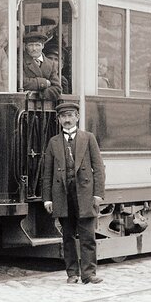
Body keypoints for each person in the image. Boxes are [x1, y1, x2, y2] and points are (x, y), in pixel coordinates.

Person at [41, 101, 106, 285]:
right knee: (67, 236)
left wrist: (98, 194)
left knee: (87, 236)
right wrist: (47, 198)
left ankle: (89, 274)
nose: (67, 120)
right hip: (63, 195)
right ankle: (72, 274)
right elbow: (47, 173)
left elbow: (98, 168)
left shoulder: (88, 138)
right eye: (63, 117)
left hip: (85, 194)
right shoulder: (53, 142)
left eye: (70, 116)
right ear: (59, 120)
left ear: (77, 117)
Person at [21, 32, 63, 103]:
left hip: (46, 105)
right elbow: (22, 82)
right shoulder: (20, 61)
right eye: (31, 45)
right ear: (25, 46)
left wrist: (41, 94)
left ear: (43, 46)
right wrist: (45, 83)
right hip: (25, 105)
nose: (34, 48)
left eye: (37, 45)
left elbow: (57, 88)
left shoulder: (50, 64)